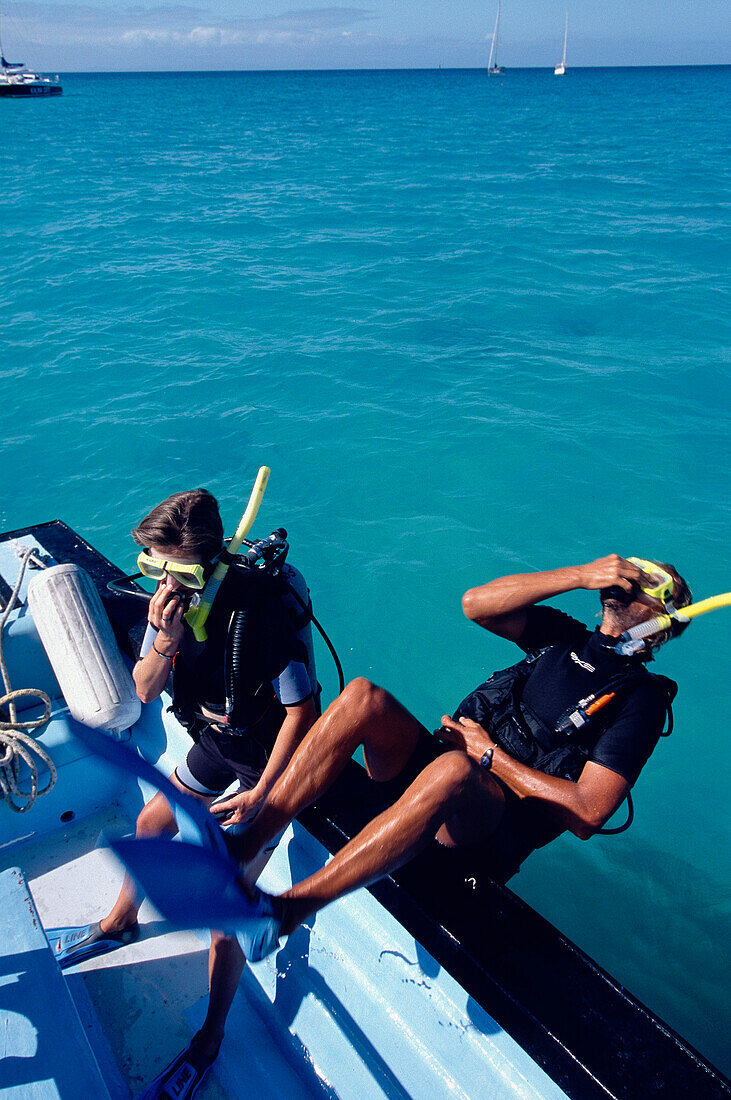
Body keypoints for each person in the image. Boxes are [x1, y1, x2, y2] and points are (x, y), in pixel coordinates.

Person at [226, 554, 691, 963]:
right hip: (443, 770)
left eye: (649, 583)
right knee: (362, 697)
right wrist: (578, 575)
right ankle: (246, 844)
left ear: (663, 619)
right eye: (632, 570)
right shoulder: (565, 638)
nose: (631, 578)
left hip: (487, 828)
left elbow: (589, 812)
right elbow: (476, 604)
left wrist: (488, 756)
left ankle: (287, 911)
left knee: (454, 769)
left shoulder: (640, 701)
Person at [48, 489, 318, 1096]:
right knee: (150, 824)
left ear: (198, 566)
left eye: (164, 568)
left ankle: (211, 1037)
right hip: (218, 745)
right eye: (147, 566)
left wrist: (266, 792)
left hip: (268, 762)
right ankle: (118, 922)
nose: (158, 583)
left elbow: (303, 710)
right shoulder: (165, 613)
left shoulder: (257, 613)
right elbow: (143, 692)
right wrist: (163, 640)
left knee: (227, 908)